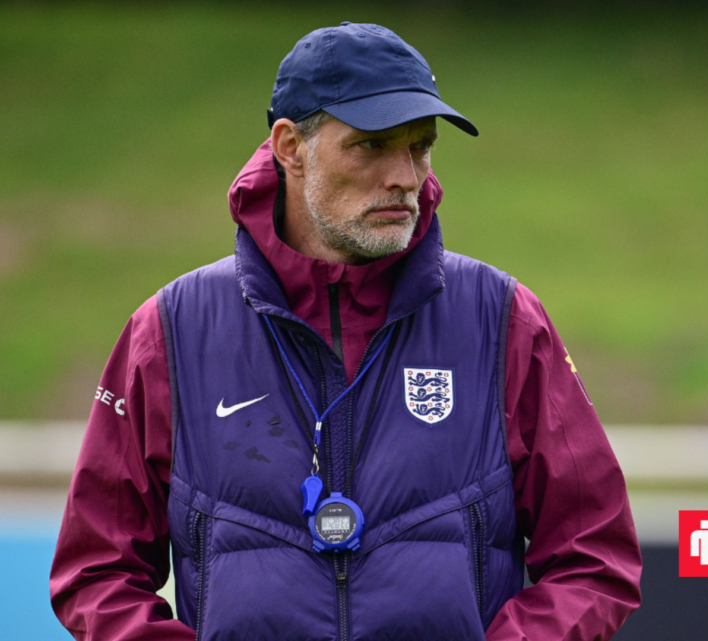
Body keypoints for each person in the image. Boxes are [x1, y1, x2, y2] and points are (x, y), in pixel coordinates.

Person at [49, 23, 641, 641]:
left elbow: (594, 559)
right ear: (289, 147)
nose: (405, 177)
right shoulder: (170, 330)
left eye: (420, 147)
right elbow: (96, 571)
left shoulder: (504, 319)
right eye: (372, 146)